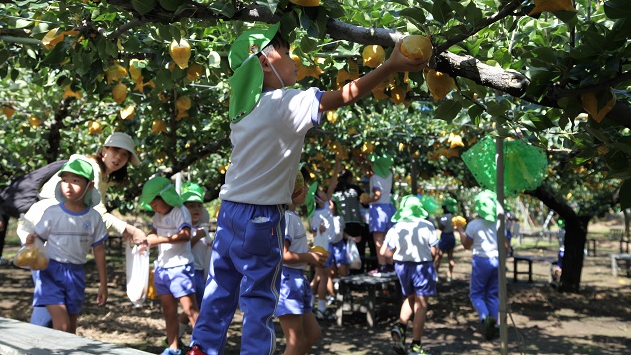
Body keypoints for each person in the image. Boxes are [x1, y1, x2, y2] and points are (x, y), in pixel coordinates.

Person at [186, 22, 426, 355]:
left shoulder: (242, 110)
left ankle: (201, 348)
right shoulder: (286, 102)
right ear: (265, 63)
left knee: (220, 287)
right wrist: (390, 65)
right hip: (261, 218)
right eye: (285, 53)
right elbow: (343, 95)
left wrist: (288, 190)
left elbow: (261, 163)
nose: (294, 59)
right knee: (259, 298)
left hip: (229, 214)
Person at [19, 132, 148, 327]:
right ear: (104, 151)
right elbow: (100, 215)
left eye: (125, 154)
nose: (119, 157)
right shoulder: (90, 168)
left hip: (61, 244)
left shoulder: (103, 177)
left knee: (59, 309)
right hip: (43, 235)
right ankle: (37, 345)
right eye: (115, 151)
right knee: (50, 304)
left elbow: (93, 218)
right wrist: (131, 230)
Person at [24, 156, 108, 333]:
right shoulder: (52, 213)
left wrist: (103, 283)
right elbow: (38, 237)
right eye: (64, 180)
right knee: (61, 325)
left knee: (70, 327)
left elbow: (99, 250)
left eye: (75, 180)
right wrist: (32, 241)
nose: (68, 185)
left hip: (76, 274)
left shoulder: (94, 218)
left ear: (90, 185)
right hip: (50, 273)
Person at [143, 176, 200, 355]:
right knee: (168, 311)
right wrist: (144, 239)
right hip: (163, 268)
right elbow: (153, 232)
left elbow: (185, 235)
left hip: (180, 267)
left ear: (165, 197)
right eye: (151, 205)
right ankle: (173, 347)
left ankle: (202, 346)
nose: (154, 208)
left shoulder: (180, 211)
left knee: (190, 309)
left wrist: (159, 239)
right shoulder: (158, 215)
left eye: (155, 204)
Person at [275, 171, 326, 355]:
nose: (306, 190)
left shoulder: (292, 217)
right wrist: (308, 257)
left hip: (297, 279)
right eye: (301, 186)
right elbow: (283, 254)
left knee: (312, 333)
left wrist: (310, 255)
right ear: (291, 191)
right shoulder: (287, 218)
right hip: (288, 281)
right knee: (295, 342)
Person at [381, 195, 439, 355]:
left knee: (410, 298)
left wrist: (396, 259)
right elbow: (434, 251)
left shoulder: (396, 227)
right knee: (421, 305)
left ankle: (400, 327)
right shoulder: (427, 226)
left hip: (402, 267)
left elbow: (384, 252)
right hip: (422, 266)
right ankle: (416, 345)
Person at [456, 189, 500, 341]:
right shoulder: (500, 223)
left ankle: (485, 317)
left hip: (481, 260)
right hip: (497, 260)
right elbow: (505, 245)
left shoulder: (474, 225)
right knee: (493, 294)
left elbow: (467, 245)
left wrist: (460, 230)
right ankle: (495, 325)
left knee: (476, 294)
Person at [179, 181, 212, 338]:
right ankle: (198, 340)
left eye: (198, 206)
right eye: (191, 206)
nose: (196, 209)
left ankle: (175, 338)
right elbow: (183, 248)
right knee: (194, 308)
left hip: (201, 272)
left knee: (193, 307)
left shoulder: (203, 230)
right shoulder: (184, 229)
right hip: (189, 271)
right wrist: (196, 237)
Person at [363, 153, 397, 276]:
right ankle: (390, 264)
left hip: (378, 210)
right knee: (389, 239)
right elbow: (373, 167)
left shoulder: (374, 178)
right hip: (390, 208)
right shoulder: (390, 174)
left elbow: (377, 195)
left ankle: (382, 266)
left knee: (379, 240)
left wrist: (367, 201)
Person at [309, 187, 335, 320]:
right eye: (322, 193)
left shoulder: (325, 206)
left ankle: (310, 303)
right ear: (318, 200)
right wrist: (317, 229)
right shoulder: (316, 214)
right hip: (323, 247)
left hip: (325, 246)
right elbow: (313, 231)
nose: (325, 193)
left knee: (318, 277)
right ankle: (321, 308)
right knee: (323, 276)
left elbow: (332, 184)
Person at [434, 197, 458, 282]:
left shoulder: (445, 217)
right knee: (450, 257)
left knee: (439, 256)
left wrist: (438, 221)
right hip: (452, 236)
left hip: (445, 237)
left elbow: (441, 227)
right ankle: (450, 275)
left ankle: (436, 275)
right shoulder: (454, 217)